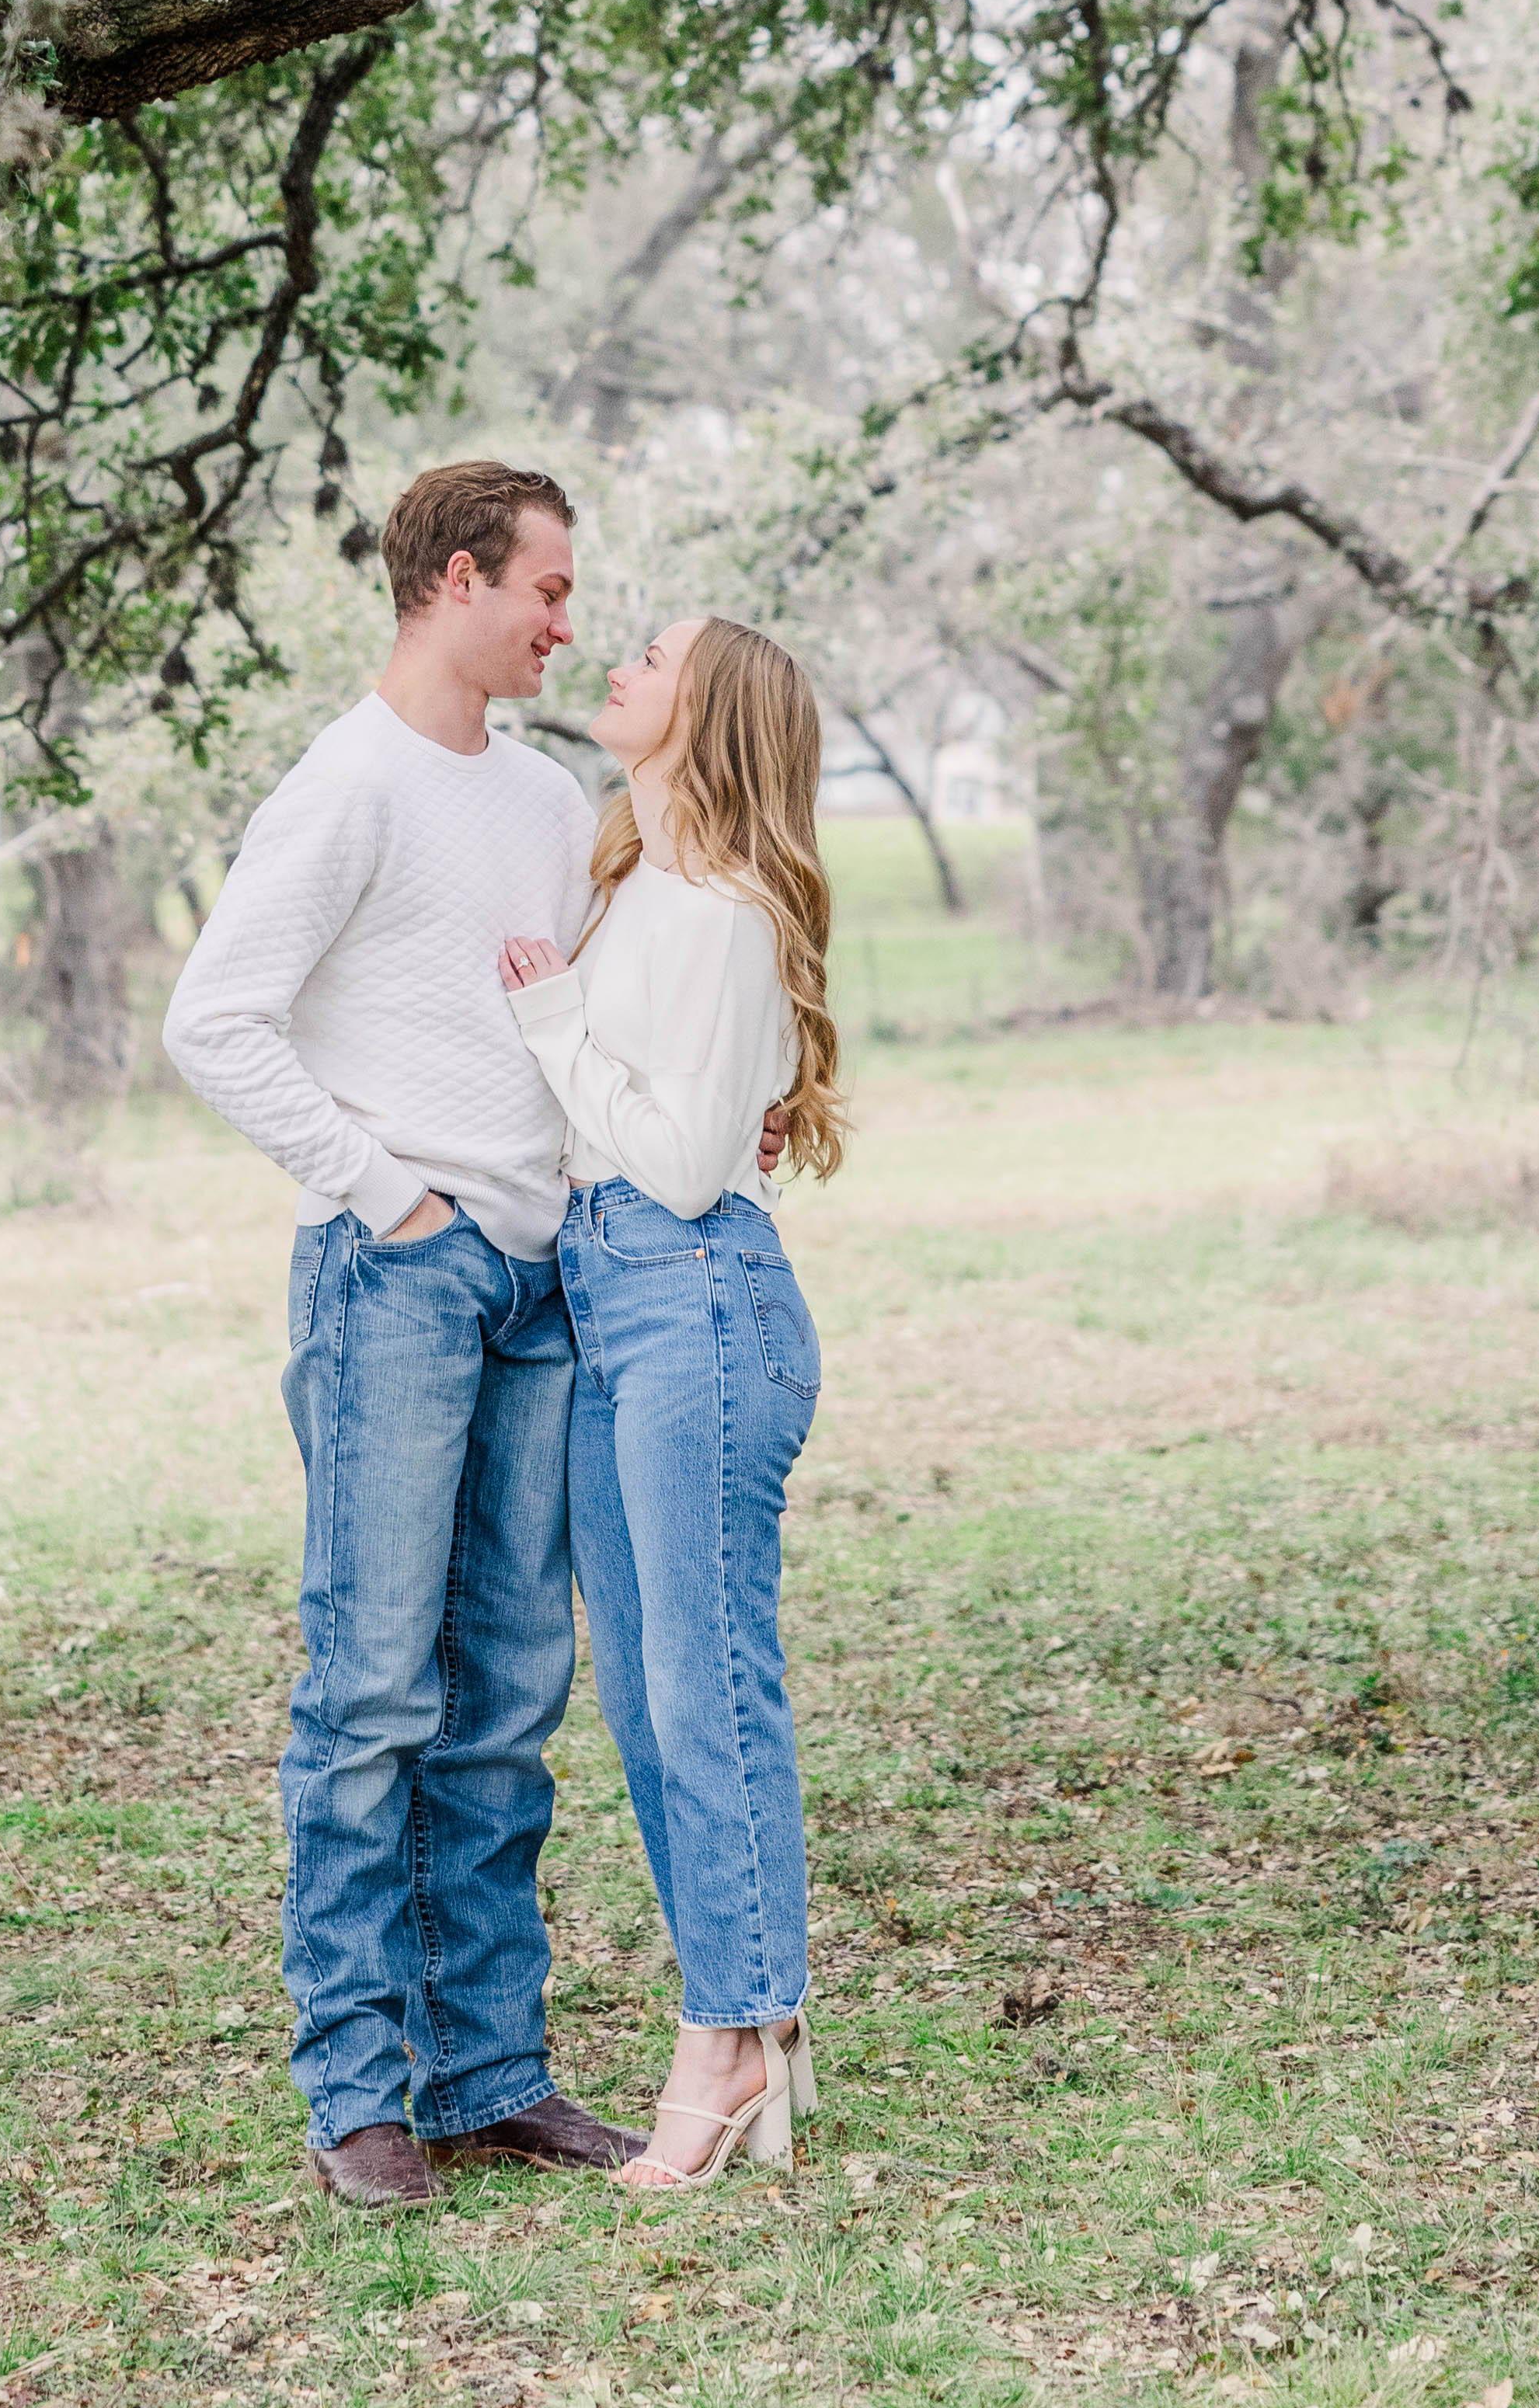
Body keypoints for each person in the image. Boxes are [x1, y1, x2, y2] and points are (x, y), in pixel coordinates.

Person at [158, 460, 654, 2211]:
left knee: (507, 1696)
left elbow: (573, 1022)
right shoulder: (348, 785)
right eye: (547, 589)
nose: (566, 621)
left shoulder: (542, 797)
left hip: (537, 1282)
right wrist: (390, 1198)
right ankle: (360, 2091)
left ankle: (489, 2075)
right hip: (398, 1279)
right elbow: (215, 1021)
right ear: (459, 580)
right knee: (373, 1692)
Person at [496, 613, 849, 2191]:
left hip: (697, 1295)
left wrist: (554, 1021)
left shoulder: (719, 913)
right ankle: (740, 2019)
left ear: (709, 715)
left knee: (705, 1689)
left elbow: (693, 1164)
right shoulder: (633, 878)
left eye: (654, 655)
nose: (618, 662)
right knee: (646, 1698)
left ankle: (731, 2038)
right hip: (613, 1291)